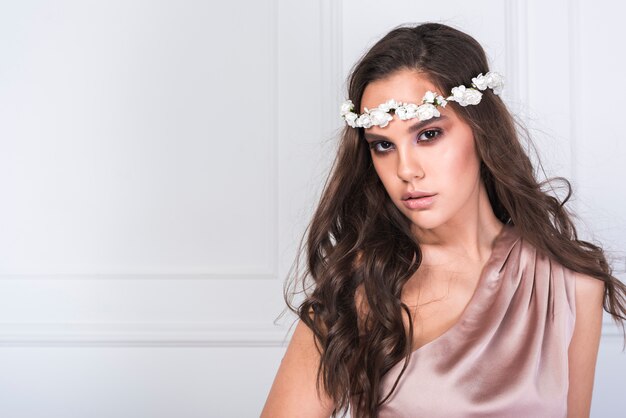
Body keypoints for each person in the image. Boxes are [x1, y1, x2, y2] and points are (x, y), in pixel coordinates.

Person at [261, 22, 626, 418]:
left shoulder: (571, 285)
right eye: (383, 146)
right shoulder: (357, 290)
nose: (406, 170)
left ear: (481, 129)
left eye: (429, 134)